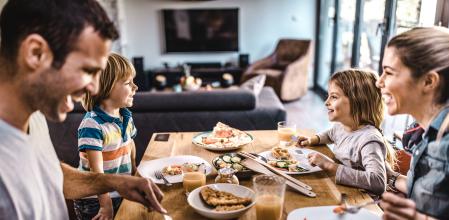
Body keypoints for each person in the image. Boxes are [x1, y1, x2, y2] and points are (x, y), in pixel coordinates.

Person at [0, 1, 166, 219]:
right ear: (36, 53)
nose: (95, 88)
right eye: (87, 70)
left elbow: (49, 172)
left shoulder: (34, 116)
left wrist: (115, 181)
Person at [377, 26, 449, 219]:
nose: (379, 82)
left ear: (428, 81)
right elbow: (424, 188)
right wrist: (387, 174)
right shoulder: (428, 133)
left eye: (389, 72)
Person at [297, 69, 396, 195]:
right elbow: (330, 134)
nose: (326, 102)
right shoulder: (341, 127)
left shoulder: (369, 140)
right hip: (341, 191)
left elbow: (378, 182)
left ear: (357, 101)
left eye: (333, 97)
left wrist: (330, 166)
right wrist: (312, 140)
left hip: (361, 201)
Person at [74, 53, 139, 220]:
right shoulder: (92, 125)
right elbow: (97, 174)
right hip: (95, 199)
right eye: (127, 83)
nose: (135, 87)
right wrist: (105, 204)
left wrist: (134, 171)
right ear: (106, 87)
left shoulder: (125, 116)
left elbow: (129, 143)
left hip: (119, 190)